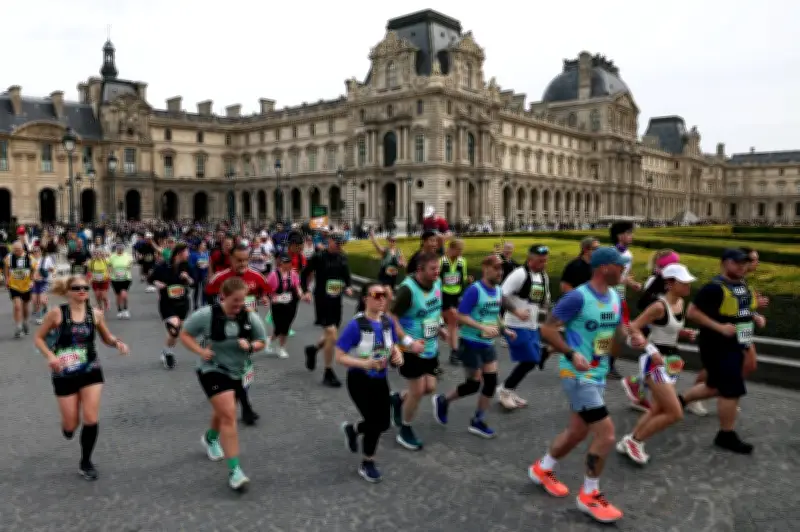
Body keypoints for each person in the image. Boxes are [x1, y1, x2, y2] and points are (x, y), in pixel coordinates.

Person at [529, 246, 628, 524]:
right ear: (604, 267)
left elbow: (612, 334)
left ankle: (542, 469)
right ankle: (589, 495)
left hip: (597, 373)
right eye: (620, 266)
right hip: (577, 376)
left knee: (576, 433)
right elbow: (547, 329)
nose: (624, 271)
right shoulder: (577, 297)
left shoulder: (615, 297)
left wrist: (632, 340)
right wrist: (572, 353)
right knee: (606, 435)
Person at [33, 275, 130, 480]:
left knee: (91, 418)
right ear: (68, 292)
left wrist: (117, 343)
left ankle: (86, 462)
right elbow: (38, 338)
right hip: (64, 372)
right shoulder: (57, 314)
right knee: (71, 424)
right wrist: (50, 356)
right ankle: (67, 427)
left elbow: (106, 337)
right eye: (76, 288)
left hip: (90, 369)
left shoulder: (95, 314)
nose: (82, 291)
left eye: (85, 288)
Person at [179, 277, 268, 492]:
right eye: (235, 301)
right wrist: (200, 352)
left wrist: (250, 346)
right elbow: (185, 333)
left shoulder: (250, 317)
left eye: (242, 300)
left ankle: (210, 438)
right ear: (223, 297)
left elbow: (263, 341)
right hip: (213, 369)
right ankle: (235, 471)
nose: (239, 305)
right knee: (229, 414)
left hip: (239, 370)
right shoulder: (206, 315)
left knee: (223, 410)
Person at [433, 254, 530, 437]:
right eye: (495, 268)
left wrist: (504, 329)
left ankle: (478, 420)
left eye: (501, 269)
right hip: (470, 343)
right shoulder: (475, 290)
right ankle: (443, 400)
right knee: (473, 384)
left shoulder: (498, 291)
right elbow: (460, 316)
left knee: (491, 383)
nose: (499, 272)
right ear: (485, 268)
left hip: (487, 344)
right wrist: (481, 326)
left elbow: (494, 315)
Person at [677, 249, 758, 454]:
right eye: (737, 262)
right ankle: (726, 434)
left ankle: (679, 401)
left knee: (713, 385)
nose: (742, 266)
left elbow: (741, 310)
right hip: (717, 344)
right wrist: (719, 327)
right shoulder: (713, 288)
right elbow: (692, 312)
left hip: (736, 342)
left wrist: (754, 318)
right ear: (724, 263)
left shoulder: (741, 284)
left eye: (744, 263)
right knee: (732, 388)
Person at [616, 264, 697, 465]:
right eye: (683, 282)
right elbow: (632, 327)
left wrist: (683, 333)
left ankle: (631, 439)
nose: (688, 285)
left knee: (659, 409)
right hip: (655, 363)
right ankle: (635, 441)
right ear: (669, 284)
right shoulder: (658, 306)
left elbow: (668, 329)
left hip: (672, 361)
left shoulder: (681, 303)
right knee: (674, 412)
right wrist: (651, 351)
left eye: (688, 281)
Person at [337, 282, 411, 482]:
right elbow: (339, 356)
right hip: (359, 379)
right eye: (376, 295)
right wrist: (364, 363)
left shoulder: (387, 322)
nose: (381, 299)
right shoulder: (356, 325)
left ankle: (353, 429)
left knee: (384, 423)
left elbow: (393, 345)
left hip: (380, 379)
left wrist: (398, 356)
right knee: (374, 422)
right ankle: (367, 462)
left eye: (384, 295)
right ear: (365, 299)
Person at [389, 251, 445, 451]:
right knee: (418, 390)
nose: (437, 272)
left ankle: (398, 398)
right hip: (410, 349)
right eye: (433, 269)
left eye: (438, 268)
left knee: (430, 387)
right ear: (420, 270)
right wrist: (407, 341)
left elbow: (434, 310)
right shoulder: (407, 290)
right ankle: (405, 429)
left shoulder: (437, 284)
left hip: (430, 346)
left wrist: (440, 327)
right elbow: (391, 317)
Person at [621, 249, 682, 411]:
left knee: (660, 370)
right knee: (656, 369)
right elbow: (647, 311)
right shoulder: (655, 282)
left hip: (660, 334)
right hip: (650, 333)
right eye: (675, 263)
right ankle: (642, 391)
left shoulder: (664, 283)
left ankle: (642, 392)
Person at [496, 245, 551, 409]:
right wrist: (516, 311)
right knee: (530, 360)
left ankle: (509, 389)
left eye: (545, 261)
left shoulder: (544, 276)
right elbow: (500, 295)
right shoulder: (519, 274)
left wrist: (545, 319)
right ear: (530, 259)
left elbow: (545, 301)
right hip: (515, 324)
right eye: (540, 261)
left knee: (532, 360)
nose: (544, 264)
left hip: (532, 325)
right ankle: (504, 390)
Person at [301, 232, 353, 387]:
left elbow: (346, 275)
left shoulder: (342, 257)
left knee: (331, 333)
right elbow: (305, 274)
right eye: (336, 242)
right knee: (332, 334)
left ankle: (313, 349)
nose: (338, 245)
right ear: (329, 241)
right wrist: (306, 291)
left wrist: (349, 286)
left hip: (336, 300)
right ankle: (328, 372)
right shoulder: (319, 257)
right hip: (322, 300)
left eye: (341, 243)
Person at [148, 243, 193, 369]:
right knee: (174, 327)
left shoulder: (186, 266)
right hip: (167, 303)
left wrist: (188, 278)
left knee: (177, 331)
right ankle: (169, 354)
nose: (188, 254)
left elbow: (193, 281)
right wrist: (157, 283)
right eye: (186, 252)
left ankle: (166, 350)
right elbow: (151, 278)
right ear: (179, 253)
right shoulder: (163, 266)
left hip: (182, 303)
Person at [608, 222, 641, 380]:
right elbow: (608, 277)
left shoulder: (629, 255)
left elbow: (624, 276)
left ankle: (609, 364)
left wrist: (631, 283)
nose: (631, 236)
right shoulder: (609, 253)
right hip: (607, 296)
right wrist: (626, 281)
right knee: (608, 332)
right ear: (619, 235)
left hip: (620, 297)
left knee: (621, 334)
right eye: (628, 233)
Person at [266, 254, 305, 359]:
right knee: (278, 327)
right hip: (277, 304)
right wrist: (271, 297)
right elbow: (267, 289)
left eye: (289, 263)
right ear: (281, 263)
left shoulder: (293, 274)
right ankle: (270, 340)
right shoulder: (273, 275)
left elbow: (297, 286)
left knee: (286, 327)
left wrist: (301, 294)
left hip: (291, 304)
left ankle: (281, 348)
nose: (287, 265)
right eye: (285, 263)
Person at [6, 240, 38, 338]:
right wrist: (7, 279)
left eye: (18, 250)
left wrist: (32, 280)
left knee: (25, 307)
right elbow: (6, 269)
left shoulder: (30, 258)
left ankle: (25, 322)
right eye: (15, 250)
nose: (16, 252)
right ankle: (18, 326)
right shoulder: (9, 258)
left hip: (26, 286)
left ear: (22, 249)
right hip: (14, 286)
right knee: (17, 306)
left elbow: (34, 270)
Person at [369, 229, 405, 297]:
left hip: (393, 277)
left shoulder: (398, 251)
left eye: (394, 240)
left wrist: (402, 264)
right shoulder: (386, 250)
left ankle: (383, 306)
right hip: (384, 276)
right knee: (389, 295)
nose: (392, 242)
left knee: (385, 295)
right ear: (388, 241)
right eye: (390, 240)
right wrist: (373, 238)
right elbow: (378, 248)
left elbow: (403, 262)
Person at [31, 244, 56, 324]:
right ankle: (40, 314)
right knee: (35, 300)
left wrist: (52, 273)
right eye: (34, 251)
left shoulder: (46, 259)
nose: (36, 252)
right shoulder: (30, 260)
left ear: (41, 251)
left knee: (41, 300)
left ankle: (41, 315)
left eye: (37, 251)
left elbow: (53, 269)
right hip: (35, 283)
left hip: (44, 282)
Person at [87, 246, 111, 312]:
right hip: (95, 280)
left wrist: (109, 274)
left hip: (104, 280)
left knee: (103, 295)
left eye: (99, 253)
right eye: (96, 253)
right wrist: (89, 279)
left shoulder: (106, 261)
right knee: (97, 295)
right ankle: (100, 307)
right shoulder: (91, 262)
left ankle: (106, 301)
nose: (98, 255)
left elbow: (110, 267)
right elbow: (89, 271)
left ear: (102, 254)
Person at [189, 241, 210, 309]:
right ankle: (195, 305)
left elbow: (209, 263)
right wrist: (196, 264)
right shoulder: (193, 254)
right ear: (199, 245)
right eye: (203, 245)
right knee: (197, 290)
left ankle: (203, 304)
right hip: (196, 274)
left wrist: (207, 264)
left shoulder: (207, 253)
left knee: (204, 290)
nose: (204, 246)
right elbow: (190, 265)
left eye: (205, 245)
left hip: (204, 274)